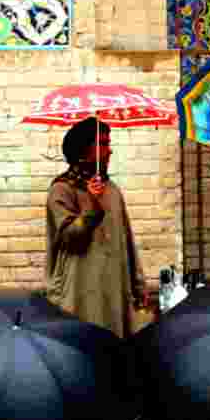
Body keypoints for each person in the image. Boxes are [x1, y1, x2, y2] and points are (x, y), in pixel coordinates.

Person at [45, 116, 146, 338]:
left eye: (108, 143)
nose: (109, 151)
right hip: (79, 294)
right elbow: (71, 237)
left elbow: (127, 242)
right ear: (83, 149)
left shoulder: (112, 190)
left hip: (115, 292)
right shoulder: (62, 190)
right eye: (103, 144)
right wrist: (91, 203)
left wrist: (138, 286)